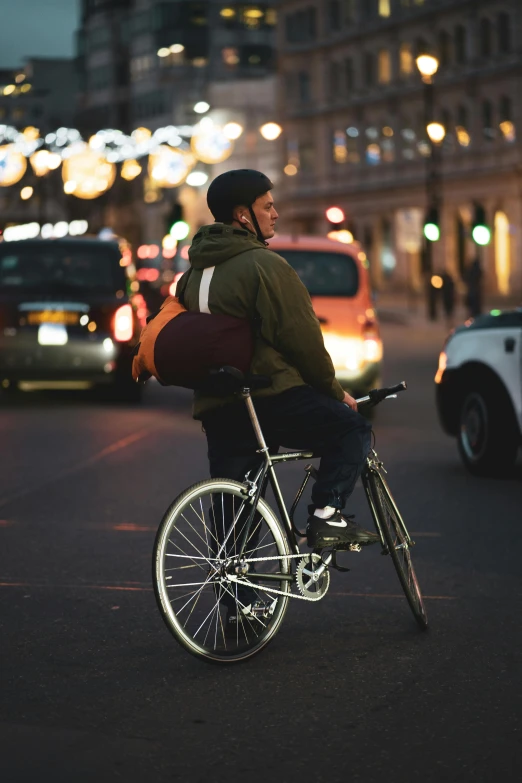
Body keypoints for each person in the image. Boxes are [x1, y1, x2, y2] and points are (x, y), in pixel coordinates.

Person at [179, 169, 378, 556]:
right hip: (268, 396)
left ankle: (238, 609)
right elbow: (303, 342)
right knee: (351, 429)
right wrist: (335, 392)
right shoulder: (263, 266)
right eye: (267, 206)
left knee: (233, 509)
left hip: (217, 405)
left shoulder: (192, 273)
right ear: (242, 215)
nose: (276, 213)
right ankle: (326, 515)